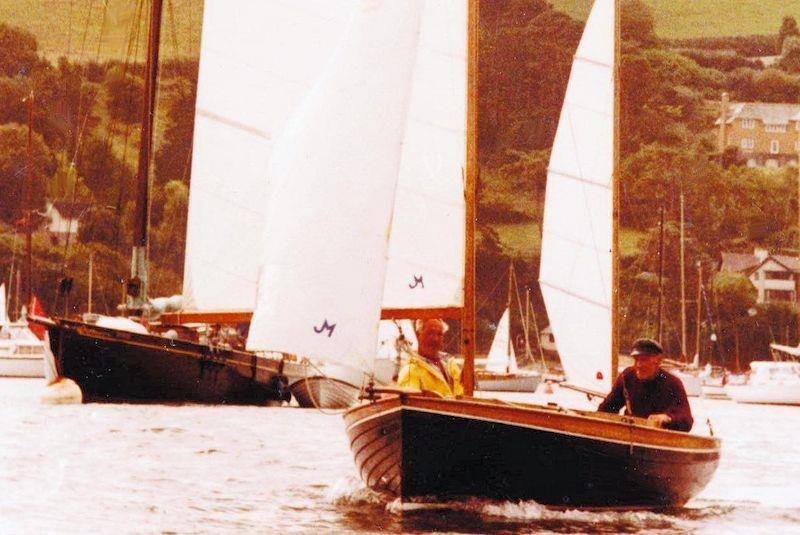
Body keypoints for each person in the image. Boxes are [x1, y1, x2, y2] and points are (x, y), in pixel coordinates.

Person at [598, 337, 693, 432]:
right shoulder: (627, 377)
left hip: (658, 438)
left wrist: (667, 418)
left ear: (659, 361)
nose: (638, 365)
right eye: (636, 360)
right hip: (629, 434)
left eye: (644, 360)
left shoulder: (673, 383)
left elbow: (687, 421)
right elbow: (607, 408)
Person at [397, 318, 463, 398]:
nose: (435, 339)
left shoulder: (450, 364)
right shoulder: (410, 371)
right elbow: (410, 406)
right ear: (418, 335)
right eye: (430, 333)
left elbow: (463, 393)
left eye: (439, 334)